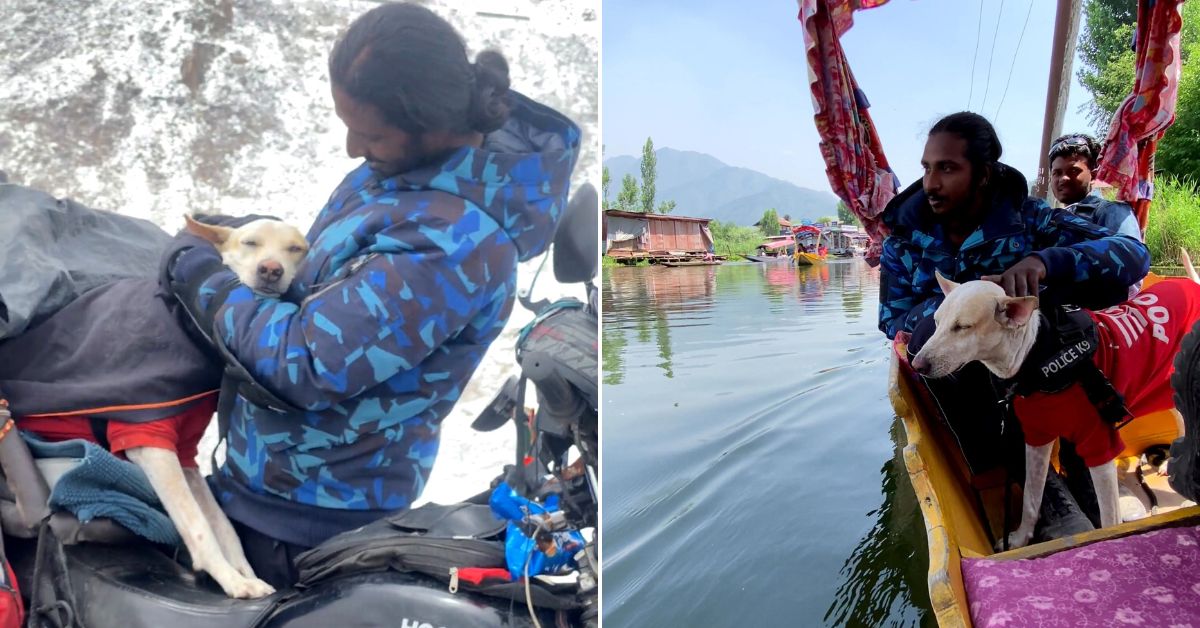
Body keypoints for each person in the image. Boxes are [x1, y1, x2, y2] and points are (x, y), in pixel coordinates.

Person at [162, 2, 580, 588]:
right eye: (348, 124)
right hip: (264, 484)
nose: (353, 147)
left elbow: (303, 362)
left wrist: (200, 274)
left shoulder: (454, 243)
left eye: (371, 132)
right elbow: (330, 282)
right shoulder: (403, 172)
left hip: (311, 520)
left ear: (432, 121)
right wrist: (240, 241)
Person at [879, 112, 1149, 473]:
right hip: (958, 373)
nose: (930, 183)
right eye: (927, 168)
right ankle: (1006, 471)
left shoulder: (1028, 219)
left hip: (1036, 365)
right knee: (925, 334)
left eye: (947, 169)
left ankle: (1078, 448)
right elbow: (891, 320)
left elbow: (1133, 255)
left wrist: (1046, 262)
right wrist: (963, 306)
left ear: (983, 175)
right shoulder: (903, 242)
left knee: (1092, 291)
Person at [1048, 133, 1142, 241]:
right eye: (1057, 173)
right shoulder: (1048, 220)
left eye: (1073, 171)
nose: (1064, 178)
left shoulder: (1111, 211)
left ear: (1093, 176)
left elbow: (1131, 252)